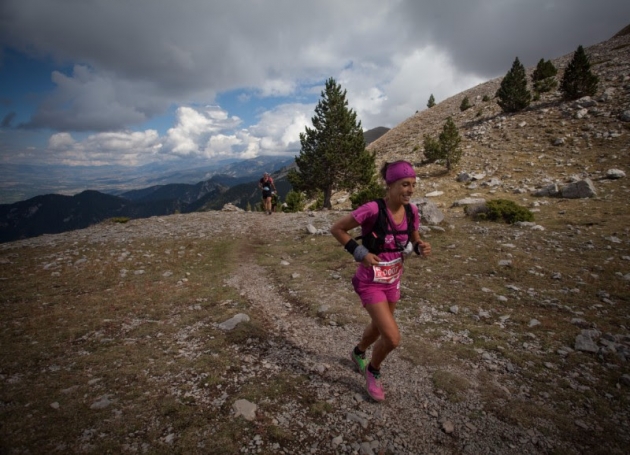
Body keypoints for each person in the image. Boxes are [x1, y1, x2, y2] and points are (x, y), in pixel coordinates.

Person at [330, 160, 431, 402]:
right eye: (405, 184)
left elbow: (413, 236)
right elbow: (338, 229)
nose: (410, 190)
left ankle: (358, 352)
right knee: (392, 338)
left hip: (393, 279)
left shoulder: (411, 211)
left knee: (378, 326)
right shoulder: (373, 209)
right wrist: (360, 253)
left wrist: (419, 246)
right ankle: (373, 371)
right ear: (391, 185)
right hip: (370, 281)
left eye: (413, 185)